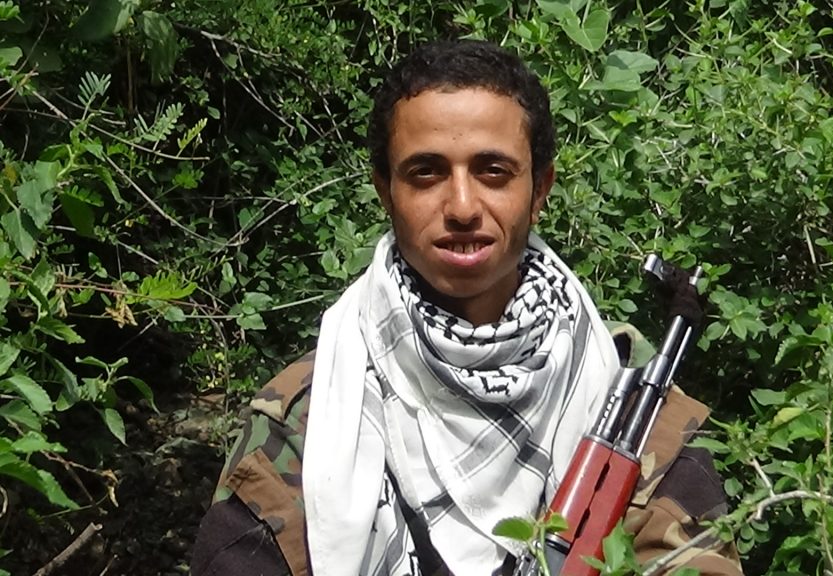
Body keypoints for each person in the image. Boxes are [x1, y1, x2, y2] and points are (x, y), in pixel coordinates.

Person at [190, 39, 743, 576]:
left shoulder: (634, 407)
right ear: (385, 191)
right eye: (426, 172)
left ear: (540, 189)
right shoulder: (307, 420)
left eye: (493, 171)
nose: (461, 206)